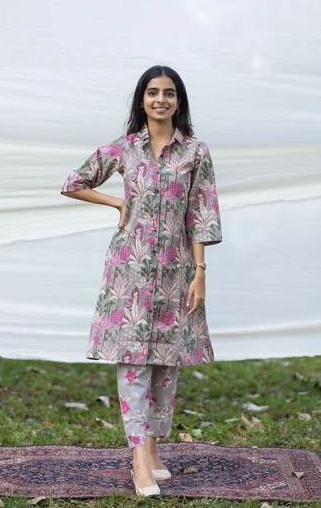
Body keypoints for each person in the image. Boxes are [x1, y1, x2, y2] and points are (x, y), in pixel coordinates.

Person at [61, 65, 223, 497]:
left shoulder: (195, 152)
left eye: (168, 93)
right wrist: (116, 202)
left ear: (178, 101)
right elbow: (74, 182)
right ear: (142, 100)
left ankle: (152, 449)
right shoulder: (125, 149)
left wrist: (200, 272)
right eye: (152, 92)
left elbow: (201, 214)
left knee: (166, 362)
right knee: (133, 359)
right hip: (129, 272)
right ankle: (137, 459)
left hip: (177, 272)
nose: (160, 100)